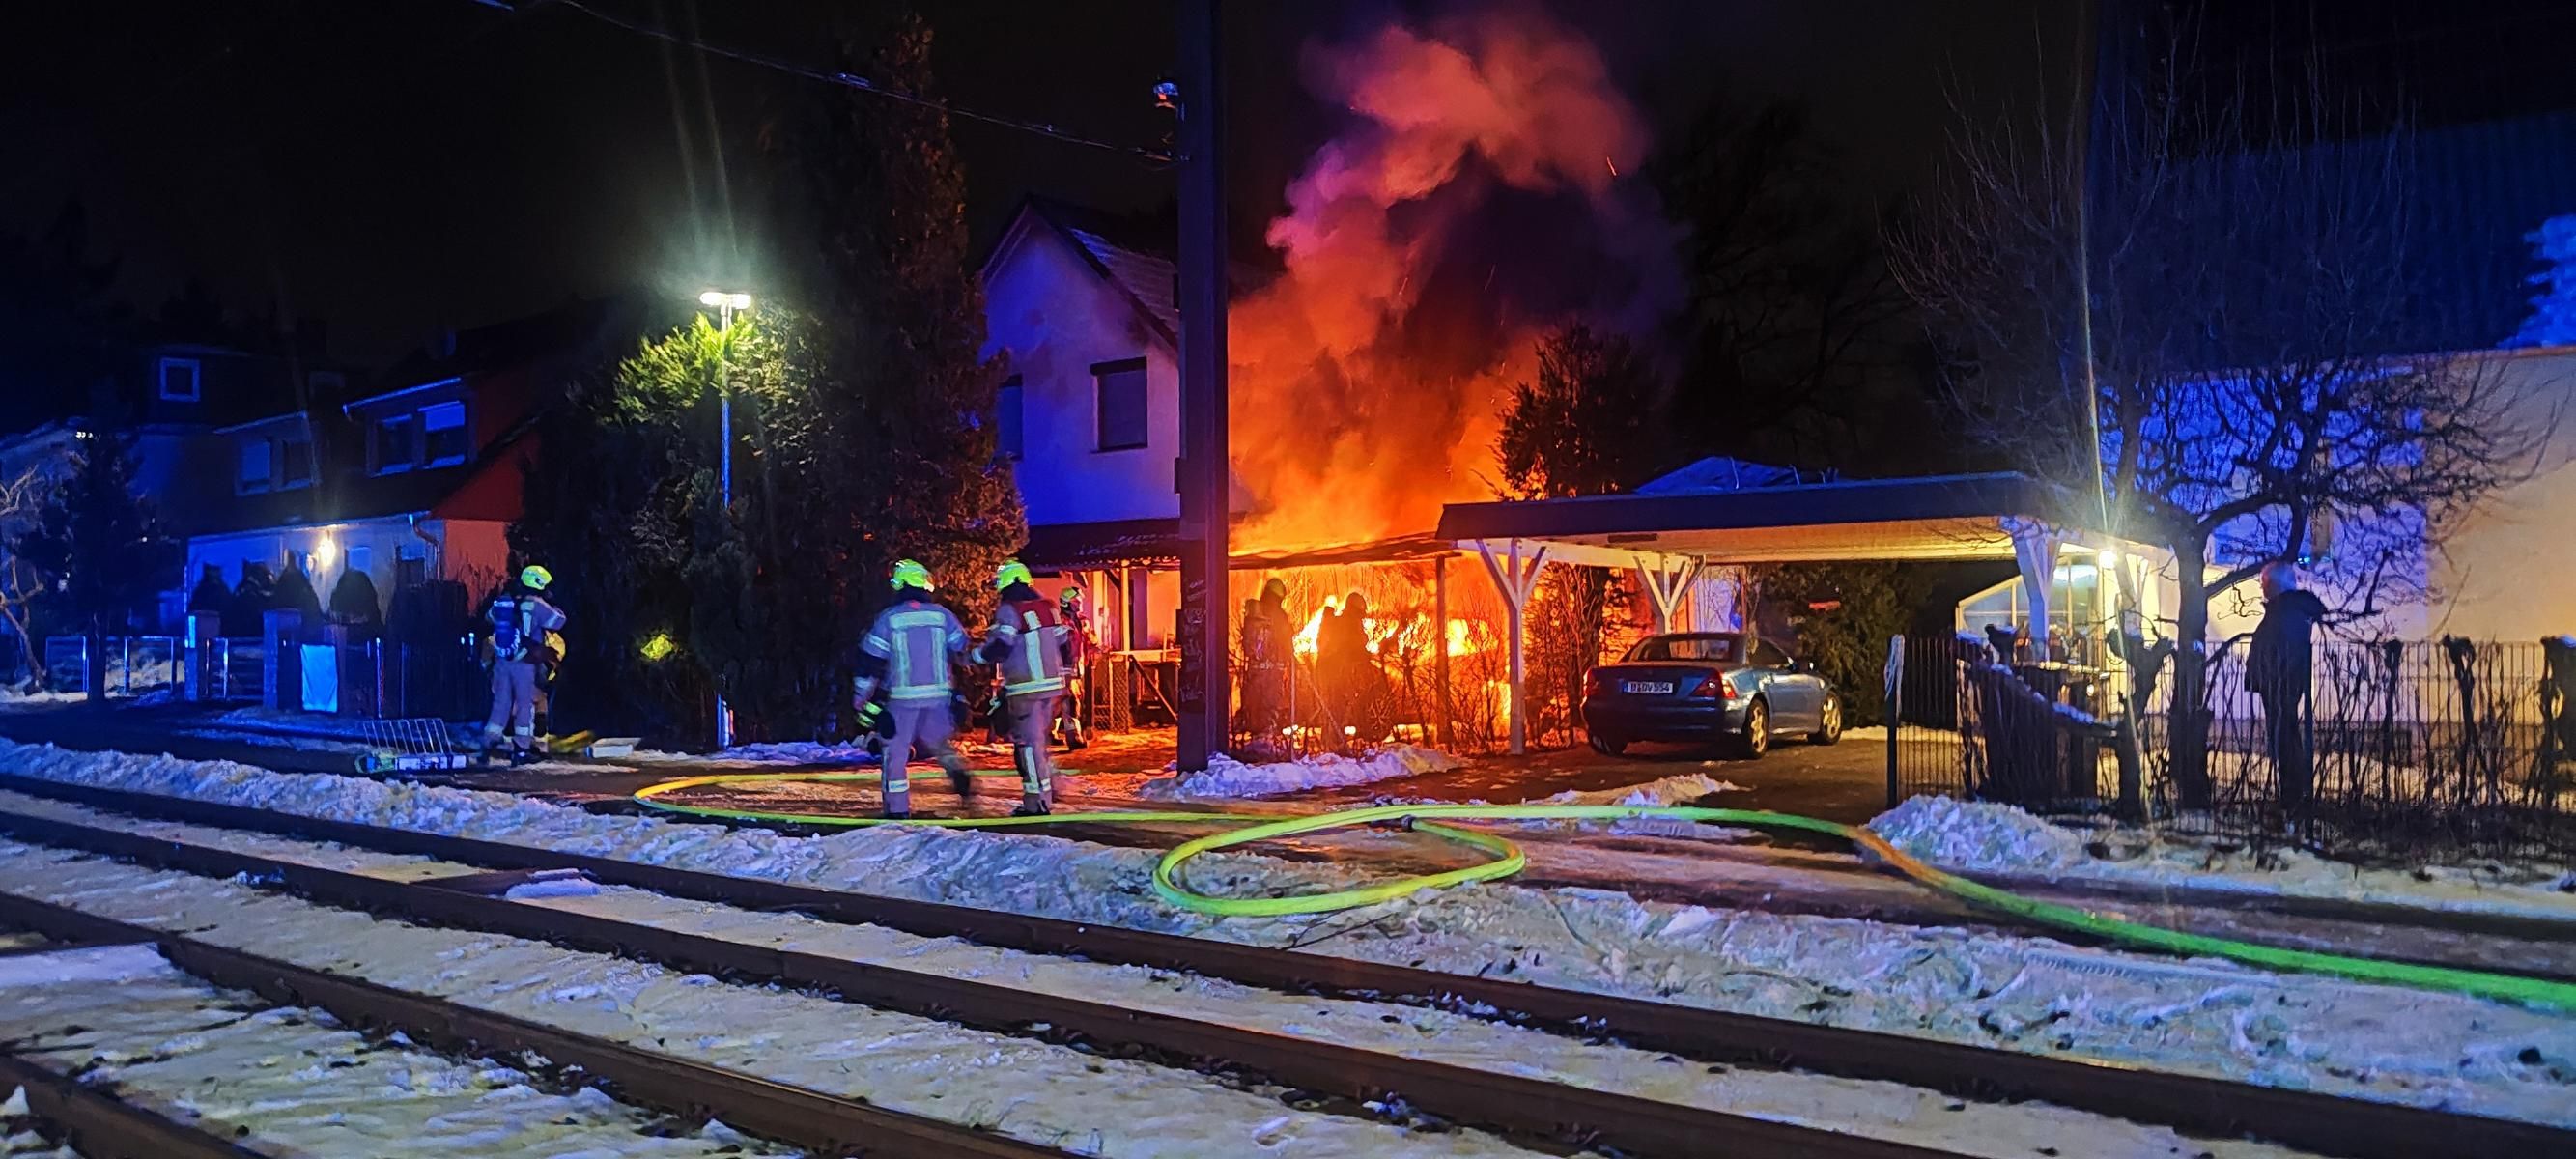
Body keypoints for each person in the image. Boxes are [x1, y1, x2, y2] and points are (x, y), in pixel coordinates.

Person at [855, 559, 974, 819]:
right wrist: (959, 692)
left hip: (903, 698)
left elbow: (870, 661)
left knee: (895, 753)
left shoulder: (889, 618)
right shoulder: (942, 615)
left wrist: (861, 701)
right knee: (938, 741)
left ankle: (897, 810)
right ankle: (956, 769)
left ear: (899, 585)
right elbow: (961, 649)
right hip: (939, 695)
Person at [979, 559, 1073, 816]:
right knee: (1038, 743)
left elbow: (1002, 646)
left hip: (1025, 688)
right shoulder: (1049, 607)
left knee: (1028, 747)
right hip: (1052, 687)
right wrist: (1066, 675)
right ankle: (1048, 792)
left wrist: (976, 656)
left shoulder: (1009, 610)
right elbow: (1065, 644)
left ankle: (1036, 802)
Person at [2245, 560, 2326, 822]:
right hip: (2279, 684)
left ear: (2275, 584)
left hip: (2280, 685)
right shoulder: (2288, 610)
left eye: (2264, 583)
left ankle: (2293, 799)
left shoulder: (2286, 612)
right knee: (2284, 739)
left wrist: (2271, 676)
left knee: (2285, 739)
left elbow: (2282, 650)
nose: (2262, 588)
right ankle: (2292, 797)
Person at [482, 565, 567, 765]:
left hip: (503, 660)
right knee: (524, 704)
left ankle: (487, 743)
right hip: (524, 661)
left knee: (501, 703)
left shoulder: (505, 601)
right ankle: (521, 749)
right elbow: (558, 621)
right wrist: (554, 606)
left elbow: (489, 617)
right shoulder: (535, 604)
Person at [1054, 586, 1093, 749]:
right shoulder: (1060, 622)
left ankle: (1049, 733)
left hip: (1076, 667)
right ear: (1067, 603)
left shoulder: (1080, 621)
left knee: (1058, 701)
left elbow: (1088, 641)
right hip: (1064, 667)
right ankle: (1073, 737)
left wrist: (1092, 640)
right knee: (1070, 701)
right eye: (1076, 601)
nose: (1079, 603)